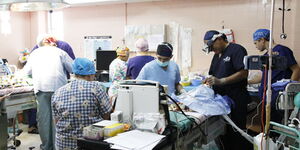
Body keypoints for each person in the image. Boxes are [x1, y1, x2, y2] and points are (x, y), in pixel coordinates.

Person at [202, 30, 252, 150]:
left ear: (219, 39)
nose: (212, 50)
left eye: (212, 46)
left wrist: (222, 81)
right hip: (221, 100)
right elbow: (213, 73)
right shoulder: (217, 54)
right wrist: (208, 81)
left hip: (236, 98)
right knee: (223, 133)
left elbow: (244, 73)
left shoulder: (237, 50)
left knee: (236, 132)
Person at [22, 36, 73, 150]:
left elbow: (26, 71)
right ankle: (57, 146)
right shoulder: (60, 51)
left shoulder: (35, 53)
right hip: (59, 90)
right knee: (59, 118)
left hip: (41, 89)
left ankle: (46, 146)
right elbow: (72, 68)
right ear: (52, 43)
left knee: (44, 119)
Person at [52, 58, 112, 150]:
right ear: (90, 74)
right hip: (89, 143)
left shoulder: (58, 92)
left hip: (63, 144)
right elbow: (106, 114)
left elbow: (56, 121)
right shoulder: (96, 87)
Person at [252, 29, 300, 122]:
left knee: (276, 124)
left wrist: (288, 90)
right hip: (267, 96)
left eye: (255, 43)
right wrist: (248, 80)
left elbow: (296, 69)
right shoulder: (266, 56)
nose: (256, 46)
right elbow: (264, 75)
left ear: (262, 40)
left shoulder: (282, 50)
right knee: (267, 124)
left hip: (278, 96)